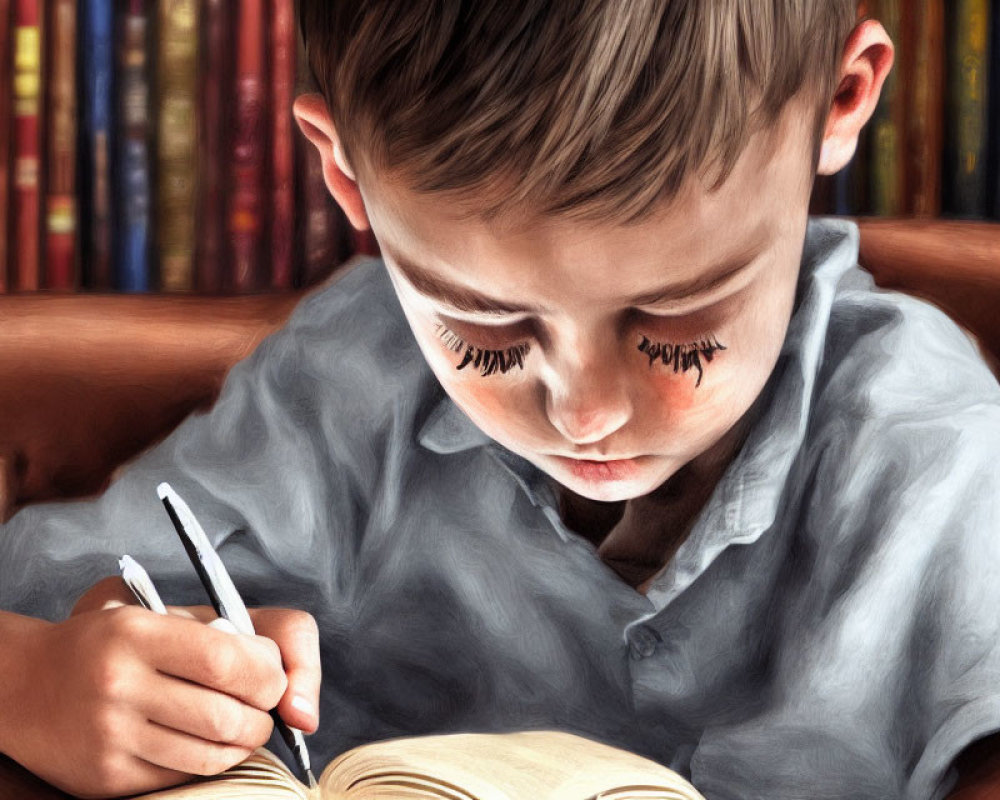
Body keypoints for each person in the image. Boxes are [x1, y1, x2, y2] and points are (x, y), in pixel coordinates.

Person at [1, 2, 999, 798]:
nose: (585, 412)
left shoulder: (932, 455)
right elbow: (52, 588)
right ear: (347, 171)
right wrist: (45, 680)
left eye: (678, 328)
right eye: (484, 332)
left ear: (841, 103)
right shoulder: (348, 383)